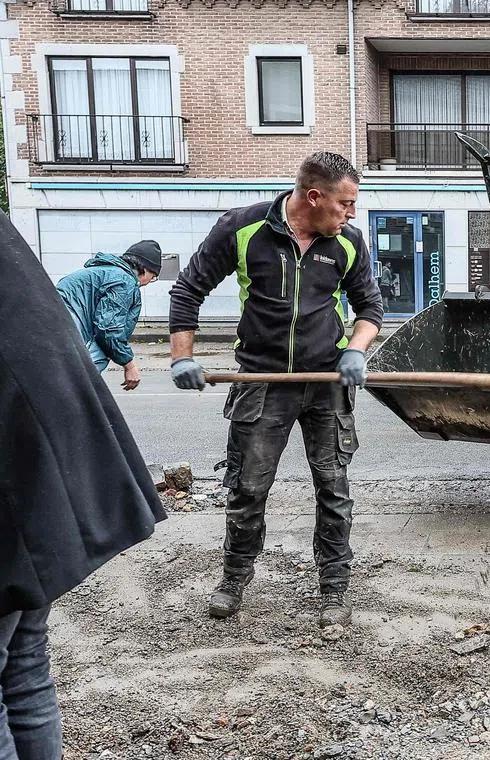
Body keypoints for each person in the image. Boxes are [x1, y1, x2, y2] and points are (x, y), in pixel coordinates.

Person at [167, 152, 384, 628]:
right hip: (262, 382)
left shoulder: (348, 242)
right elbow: (187, 290)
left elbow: (370, 307)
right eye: (345, 203)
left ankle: (334, 588)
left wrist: (356, 350)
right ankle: (234, 578)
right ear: (314, 197)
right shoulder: (242, 230)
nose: (351, 214)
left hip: (327, 382)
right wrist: (182, 355)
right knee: (248, 486)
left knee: (333, 487)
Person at [1, 212, 166, 757]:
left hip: (22, 429)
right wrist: (131, 361)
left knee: (20, 661)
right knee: (24, 665)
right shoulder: (120, 281)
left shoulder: (94, 270)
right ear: (145, 271)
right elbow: (114, 328)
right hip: (42, 424)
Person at [55, 240, 163, 390]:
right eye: (153, 276)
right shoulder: (125, 281)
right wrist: (129, 365)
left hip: (51, 320)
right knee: (96, 357)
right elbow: (108, 329)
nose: (151, 281)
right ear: (143, 268)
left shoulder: (103, 272)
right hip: (66, 326)